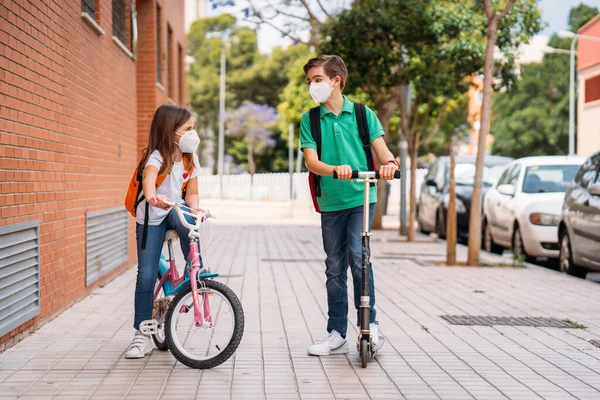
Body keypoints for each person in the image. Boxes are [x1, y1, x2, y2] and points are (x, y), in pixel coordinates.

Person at [300, 55, 399, 356]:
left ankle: (371, 326)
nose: (312, 86)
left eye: (317, 80)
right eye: (309, 82)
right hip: (331, 201)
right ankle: (336, 332)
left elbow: (384, 153)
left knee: (359, 258)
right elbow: (312, 162)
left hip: (360, 198)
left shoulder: (361, 114)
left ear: (335, 81)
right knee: (334, 267)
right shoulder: (311, 120)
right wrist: (335, 169)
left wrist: (391, 165)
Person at [125, 105, 203, 359]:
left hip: (173, 209)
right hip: (151, 216)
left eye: (193, 128)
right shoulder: (157, 156)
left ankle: (195, 269)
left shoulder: (190, 158)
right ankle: (141, 334)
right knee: (146, 276)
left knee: (187, 218)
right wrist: (152, 196)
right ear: (171, 132)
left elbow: (191, 194)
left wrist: (197, 209)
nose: (193, 134)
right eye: (188, 129)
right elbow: (148, 181)